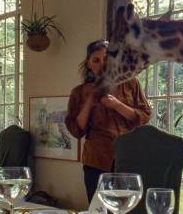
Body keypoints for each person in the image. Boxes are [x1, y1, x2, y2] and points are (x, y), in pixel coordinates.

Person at [65, 39, 151, 203]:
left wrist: (116, 104)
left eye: (106, 59)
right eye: (96, 60)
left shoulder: (130, 83)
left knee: (127, 212)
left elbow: (144, 116)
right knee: (99, 212)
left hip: (128, 157)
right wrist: (90, 99)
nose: (102, 64)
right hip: (96, 159)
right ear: (89, 64)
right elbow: (76, 130)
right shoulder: (78, 92)